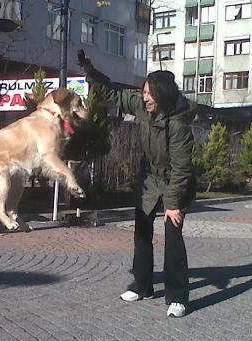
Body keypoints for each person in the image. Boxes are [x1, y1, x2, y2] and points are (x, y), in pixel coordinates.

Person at [77, 50, 196, 317]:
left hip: (176, 181)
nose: (144, 98)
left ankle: (177, 296)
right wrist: (90, 72)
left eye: (149, 94)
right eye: (143, 92)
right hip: (150, 179)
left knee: (172, 235)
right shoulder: (142, 108)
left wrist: (174, 205)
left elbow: (181, 169)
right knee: (142, 231)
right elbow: (113, 94)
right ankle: (143, 285)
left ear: (163, 95)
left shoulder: (178, 125)